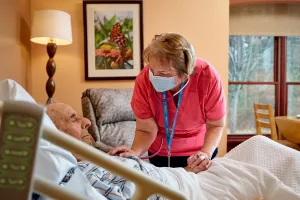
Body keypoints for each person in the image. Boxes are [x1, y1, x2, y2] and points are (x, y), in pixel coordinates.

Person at [44, 103, 299, 200]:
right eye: (74, 119)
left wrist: (187, 169)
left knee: (258, 146)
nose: (87, 121)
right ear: (52, 134)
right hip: (187, 191)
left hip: (186, 176)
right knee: (262, 166)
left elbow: (148, 176)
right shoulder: (79, 174)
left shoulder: (103, 158)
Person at [109, 32, 226, 171]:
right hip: (160, 153)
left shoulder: (207, 77)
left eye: (164, 74)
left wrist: (205, 153)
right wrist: (134, 152)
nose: (155, 77)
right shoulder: (144, 80)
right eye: (152, 70)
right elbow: (146, 129)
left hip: (198, 154)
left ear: (185, 73)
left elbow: (215, 125)